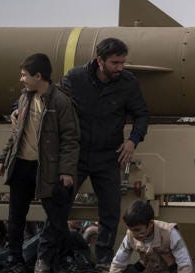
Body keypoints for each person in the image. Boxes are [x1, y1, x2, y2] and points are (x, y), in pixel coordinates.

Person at [61, 38, 149, 269]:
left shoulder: (128, 83)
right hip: (76, 156)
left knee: (110, 211)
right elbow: (51, 101)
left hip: (108, 156)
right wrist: (17, 108)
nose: (120, 67)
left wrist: (132, 140)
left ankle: (103, 259)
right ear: (99, 61)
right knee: (59, 206)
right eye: (115, 63)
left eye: (122, 62)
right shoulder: (75, 78)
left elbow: (141, 114)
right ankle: (57, 253)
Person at [0, 54, 80, 273]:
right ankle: (15, 260)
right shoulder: (25, 98)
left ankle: (65, 257)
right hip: (21, 165)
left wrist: (67, 171)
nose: (21, 79)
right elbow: (17, 133)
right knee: (15, 216)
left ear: (38, 76)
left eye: (24, 75)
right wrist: (3, 158)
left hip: (46, 169)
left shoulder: (60, 101)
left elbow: (71, 139)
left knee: (56, 217)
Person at [109, 200, 192, 273]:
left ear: (151, 224)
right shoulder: (130, 235)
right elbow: (118, 262)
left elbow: (185, 265)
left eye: (137, 230)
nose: (134, 234)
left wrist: (172, 266)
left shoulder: (170, 233)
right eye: (131, 230)